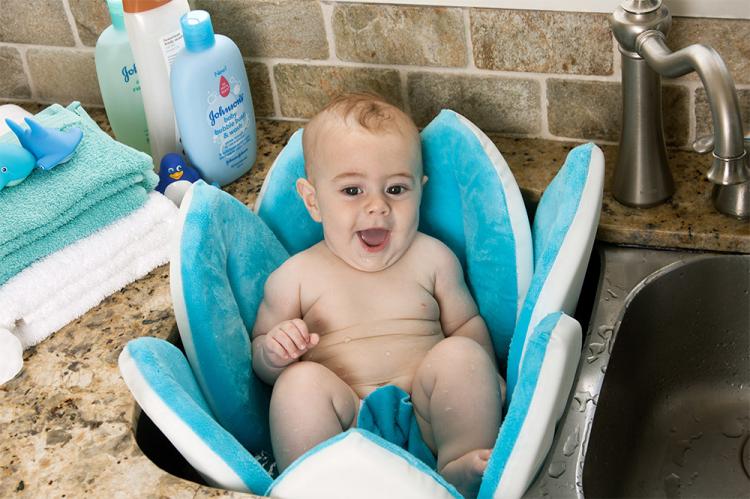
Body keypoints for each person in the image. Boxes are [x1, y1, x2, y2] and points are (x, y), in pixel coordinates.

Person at [251, 93, 503, 498]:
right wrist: (274, 352)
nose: (377, 207)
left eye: (396, 189)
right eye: (352, 191)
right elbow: (260, 357)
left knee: (464, 356)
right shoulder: (294, 277)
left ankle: (459, 467)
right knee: (297, 385)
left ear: (420, 191)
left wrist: (487, 378)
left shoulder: (433, 258)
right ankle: (315, 486)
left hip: (430, 421)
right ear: (313, 200)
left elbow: (466, 325)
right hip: (345, 429)